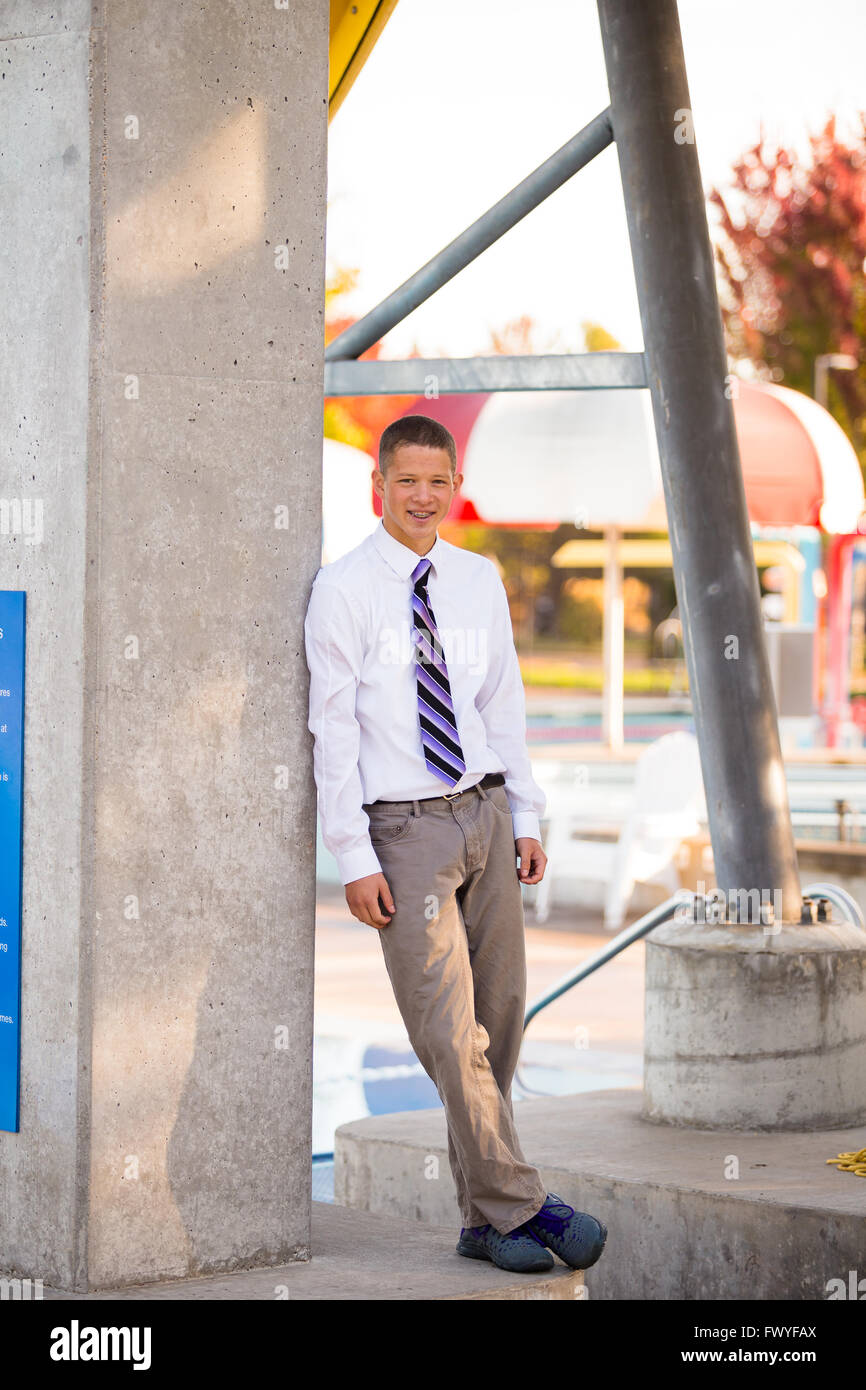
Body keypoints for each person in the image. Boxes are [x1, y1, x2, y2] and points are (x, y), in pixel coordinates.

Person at [304, 414, 607, 1275]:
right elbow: (330, 734)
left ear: (454, 484)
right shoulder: (345, 589)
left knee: (500, 1025)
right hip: (403, 832)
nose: (423, 496)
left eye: (438, 480)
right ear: (380, 484)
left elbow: (500, 709)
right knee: (449, 1033)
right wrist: (353, 856)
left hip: (485, 811)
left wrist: (527, 817)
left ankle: (483, 1224)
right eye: (407, 480)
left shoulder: (477, 581)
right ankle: (525, 1203)